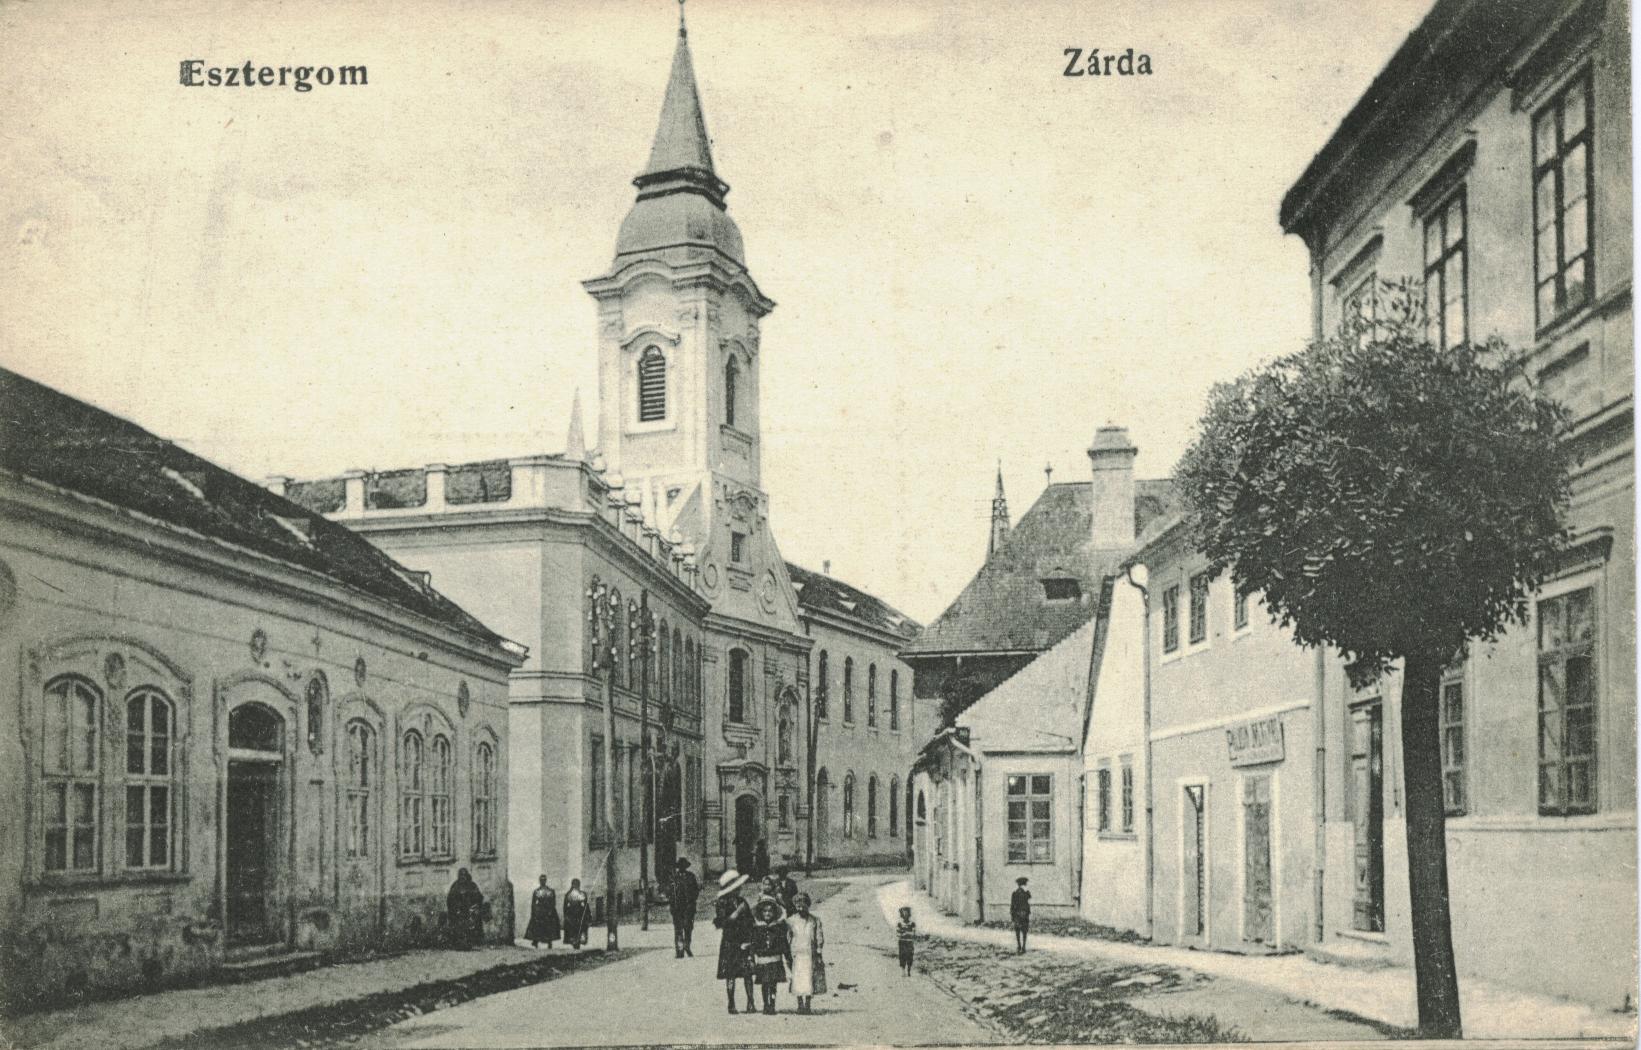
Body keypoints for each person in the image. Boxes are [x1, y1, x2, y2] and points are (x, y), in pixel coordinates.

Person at [714, 870, 756, 1014]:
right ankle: (731, 1003)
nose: (739, 889)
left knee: (747, 973)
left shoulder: (742, 901)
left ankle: (751, 1002)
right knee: (730, 974)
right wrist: (737, 912)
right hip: (730, 942)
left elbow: (750, 921)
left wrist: (751, 938)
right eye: (736, 887)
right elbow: (722, 923)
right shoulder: (722, 904)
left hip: (744, 940)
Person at [748, 897, 791, 1015]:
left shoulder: (778, 928)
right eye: (765, 911)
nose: (767, 913)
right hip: (762, 960)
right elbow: (753, 944)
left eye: (770, 911)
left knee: (773, 984)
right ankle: (765, 1004)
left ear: (774, 913)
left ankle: (772, 1004)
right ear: (761, 913)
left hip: (775, 960)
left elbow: (784, 944)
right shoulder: (757, 928)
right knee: (764, 983)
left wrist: (788, 957)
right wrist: (751, 957)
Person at [785, 892, 826, 1014]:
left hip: (809, 953)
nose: (801, 908)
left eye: (803, 906)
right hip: (797, 953)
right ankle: (799, 1004)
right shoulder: (791, 921)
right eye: (798, 906)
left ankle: (807, 1004)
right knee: (797, 978)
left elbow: (819, 936)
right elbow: (788, 937)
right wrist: (788, 952)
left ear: (808, 905)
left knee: (809, 978)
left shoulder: (814, 921)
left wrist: (819, 951)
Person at [446, 869, 485, 949]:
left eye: (464, 875)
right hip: (458, 910)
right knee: (457, 922)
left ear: (467, 876)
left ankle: (473, 942)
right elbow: (450, 899)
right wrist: (456, 908)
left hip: (470, 910)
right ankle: (458, 942)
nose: (462, 877)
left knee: (473, 919)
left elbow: (479, 897)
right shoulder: (455, 885)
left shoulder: (472, 885)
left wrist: (474, 906)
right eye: (461, 875)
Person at [670, 857, 700, 958]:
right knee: (678, 929)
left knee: (688, 928)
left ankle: (687, 946)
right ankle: (680, 951)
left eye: (683, 866)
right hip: (677, 907)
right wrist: (672, 905)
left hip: (689, 907)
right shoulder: (674, 878)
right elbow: (670, 893)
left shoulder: (691, 876)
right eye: (680, 866)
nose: (682, 868)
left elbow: (696, 890)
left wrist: (692, 901)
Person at [525, 875, 561, 949]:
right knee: (541, 926)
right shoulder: (542, 891)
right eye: (542, 880)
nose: (542, 881)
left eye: (543, 880)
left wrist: (535, 911)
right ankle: (539, 941)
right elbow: (534, 903)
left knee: (546, 926)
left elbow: (552, 902)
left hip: (544, 911)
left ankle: (544, 942)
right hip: (544, 911)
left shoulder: (541, 891)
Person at [563, 878, 590, 950]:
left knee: (579, 930)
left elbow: (586, 906)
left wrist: (587, 915)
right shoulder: (569, 894)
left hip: (579, 916)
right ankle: (576, 943)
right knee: (575, 930)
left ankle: (577, 943)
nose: (576, 886)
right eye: (575, 884)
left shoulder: (581, 894)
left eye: (577, 885)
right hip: (574, 916)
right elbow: (565, 907)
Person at [1010, 876, 1032, 954]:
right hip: (1024, 915)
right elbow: (1029, 900)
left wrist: (1012, 915)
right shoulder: (1026, 893)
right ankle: (1023, 947)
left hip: (1017, 915)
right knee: (1024, 931)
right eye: (1025, 884)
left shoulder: (1014, 893)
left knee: (1017, 931)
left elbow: (1012, 905)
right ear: (1024, 884)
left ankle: (1019, 946)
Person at [895, 905, 917, 976]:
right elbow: (898, 934)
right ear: (902, 914)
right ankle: (903, 970)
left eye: (907, 913)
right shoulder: (899, 924)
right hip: (902, 942)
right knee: (902, 956)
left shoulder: (912, 924)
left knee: (910, 956)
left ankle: (909, 970)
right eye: (904, 913)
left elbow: (913, 933)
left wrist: (904, 933)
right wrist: (906, 933)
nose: (905, 914)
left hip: (909, 942)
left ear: (909, 914)